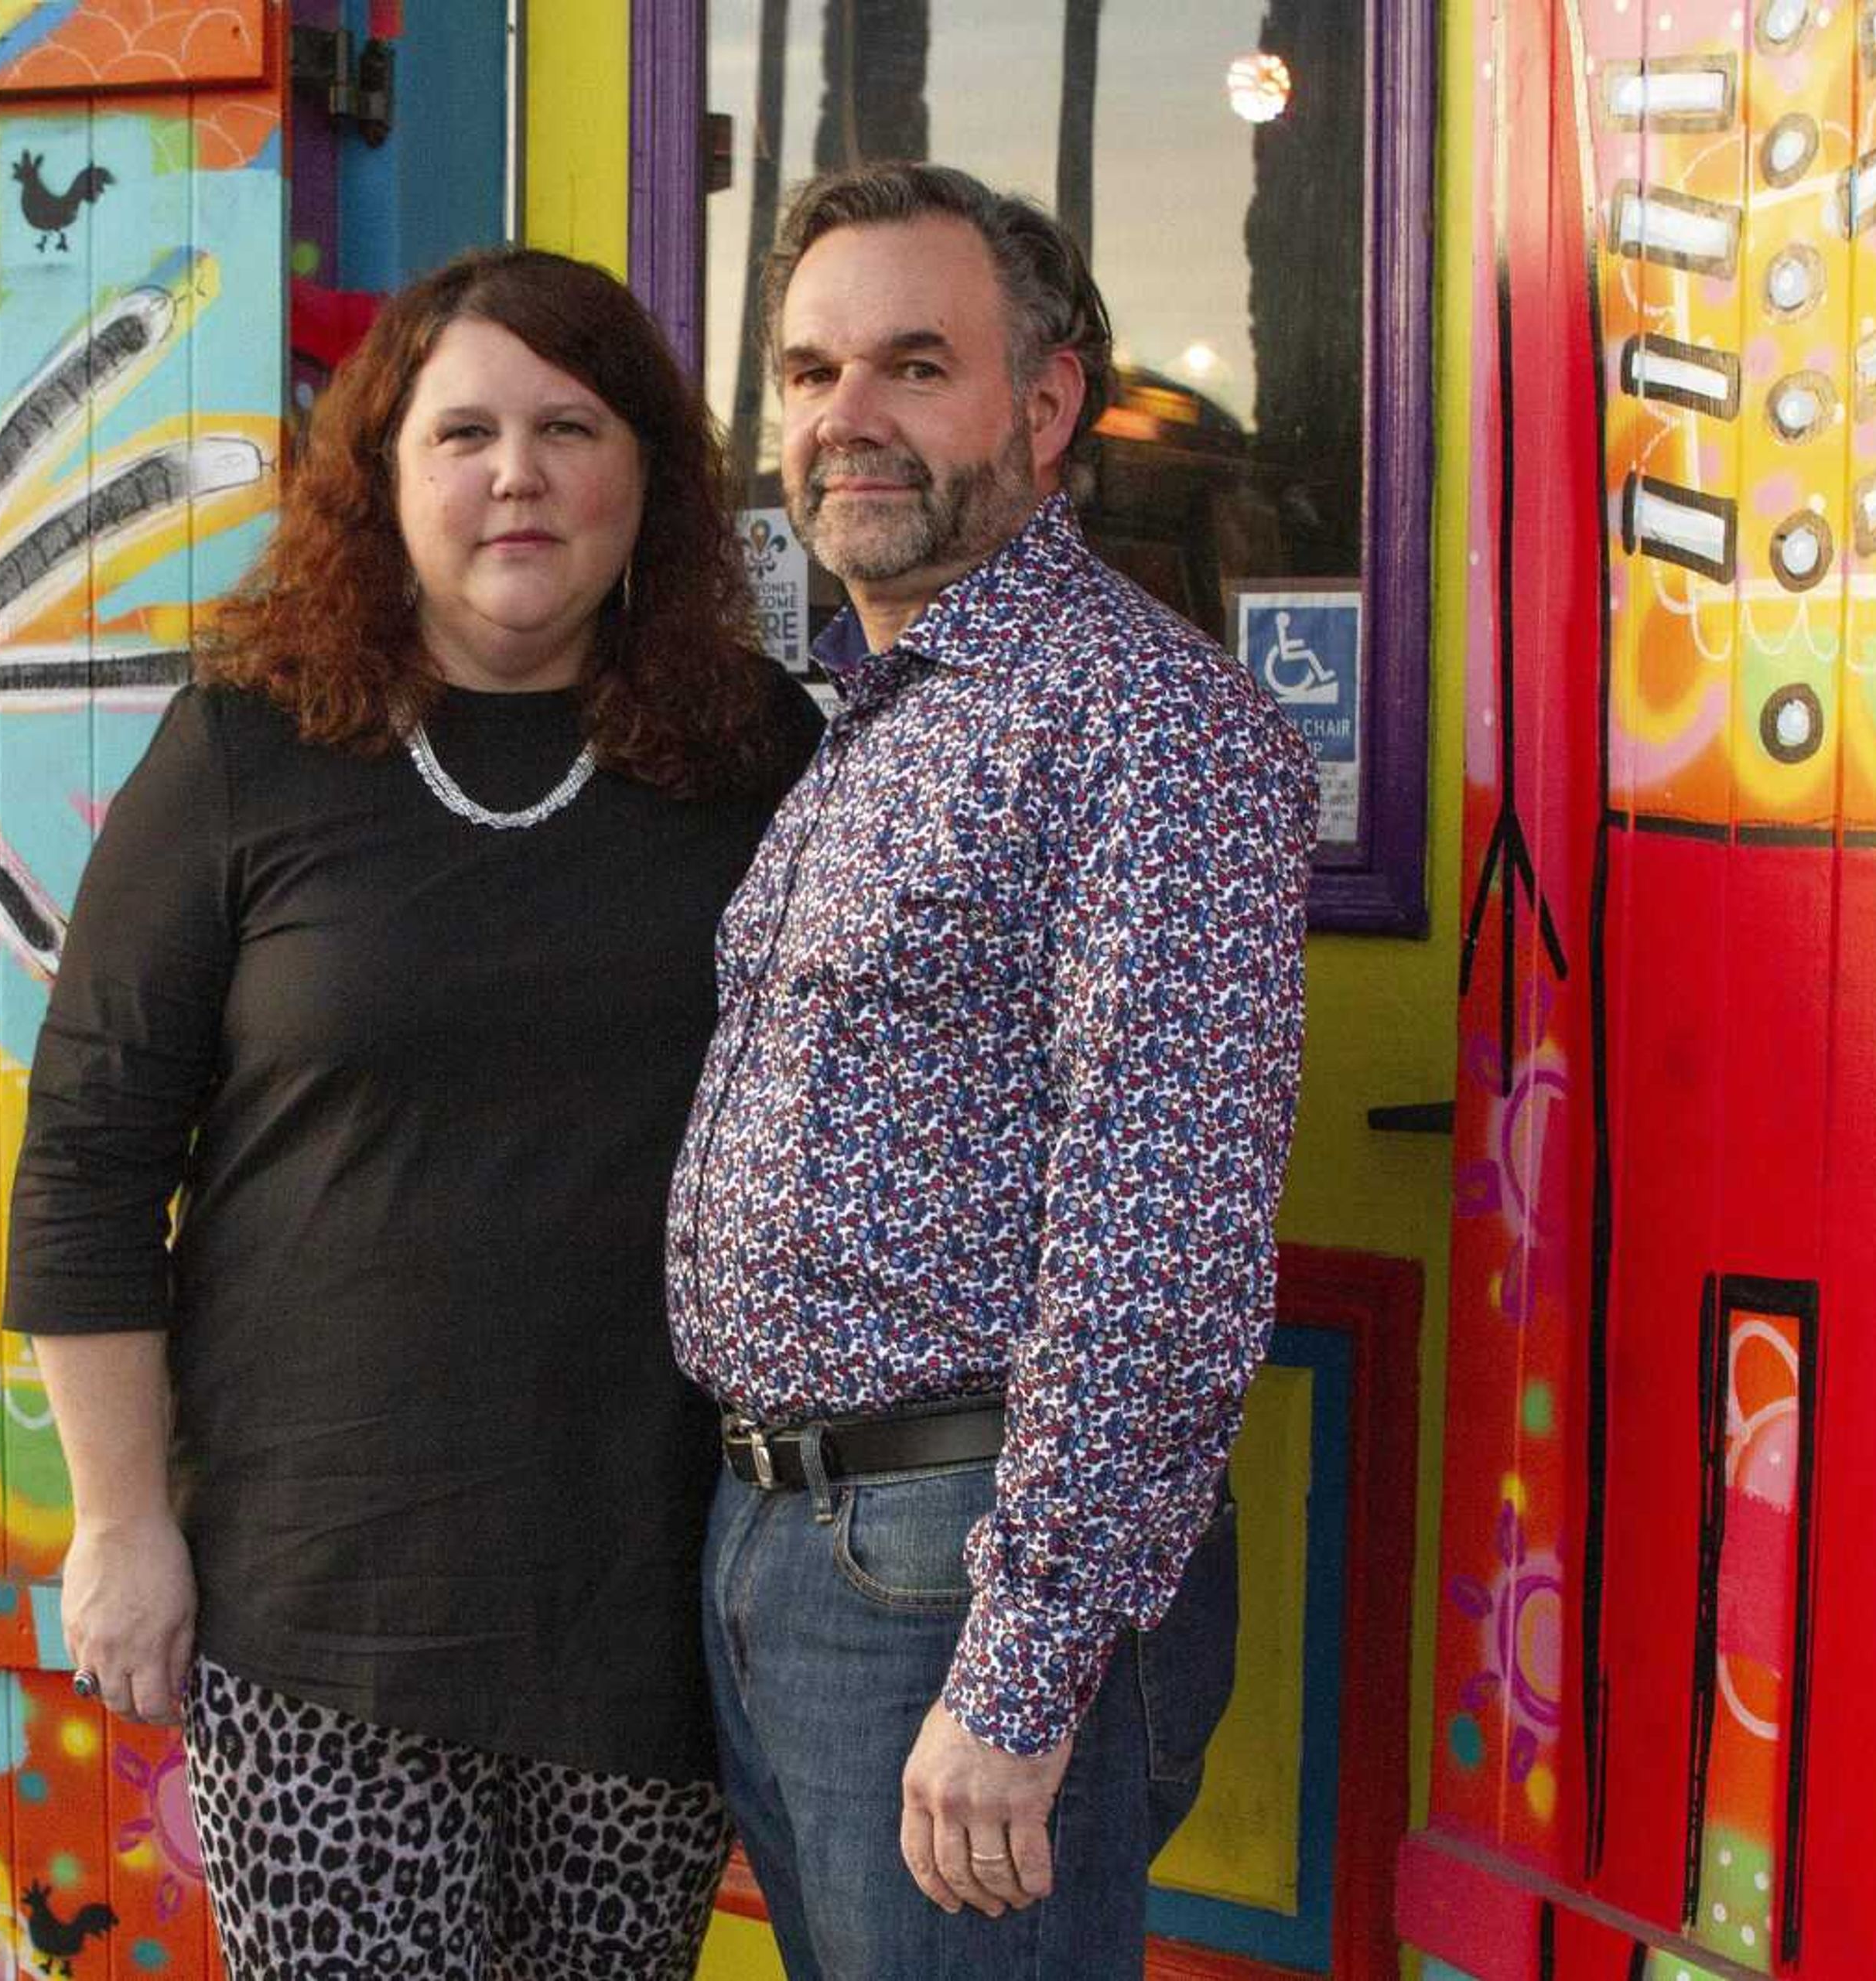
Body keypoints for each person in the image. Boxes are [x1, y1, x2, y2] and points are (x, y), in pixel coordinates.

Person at [3, 247, 822, 1979]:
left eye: (568, 425)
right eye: (461, 432)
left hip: (643, 1596)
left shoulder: (760, 756)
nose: (514, 472)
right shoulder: (250, 748)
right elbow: (87, 1156)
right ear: (382, 480)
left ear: (651, 481)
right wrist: (120, 1519)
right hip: (318, 1606)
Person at [668, 162, 1317, 1978]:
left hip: (958, 1567)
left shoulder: (1149, 727)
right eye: (807, 374)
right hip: (781, 1539)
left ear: (1045, 406)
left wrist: (1022, 1678)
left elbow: (1163, 1250)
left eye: (910, 366)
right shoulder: (863, 719)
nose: (844, 421)